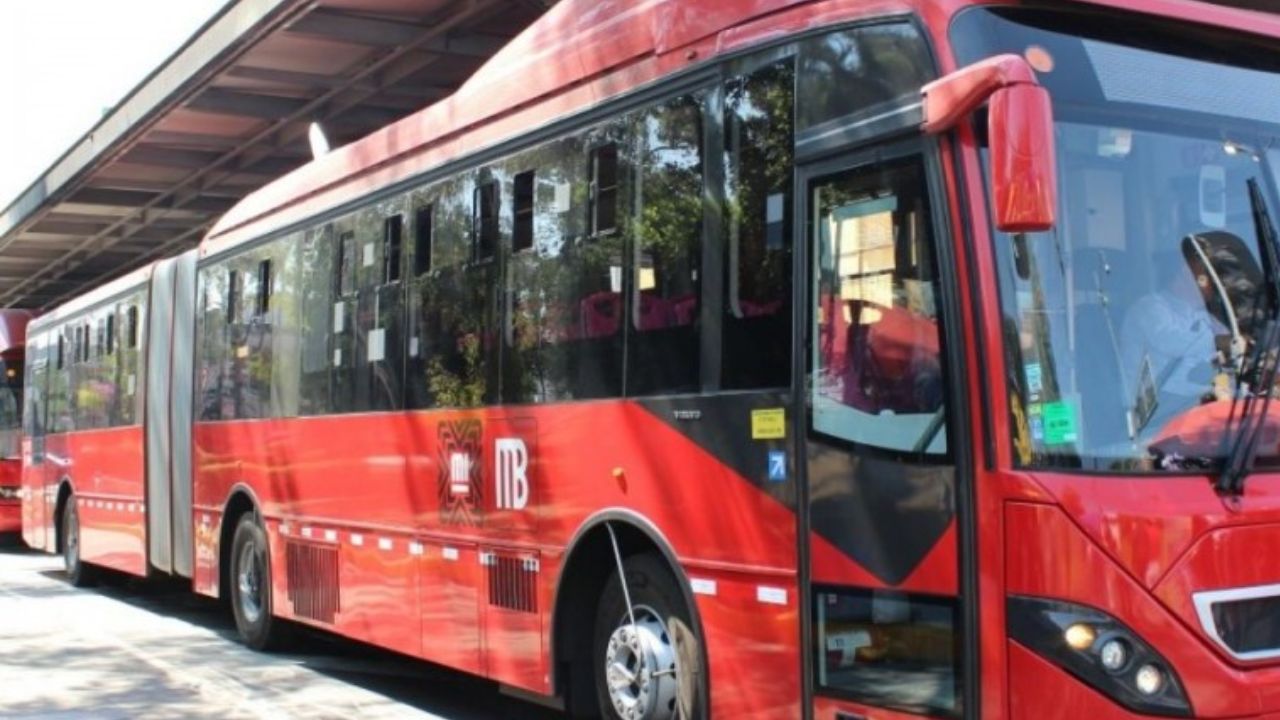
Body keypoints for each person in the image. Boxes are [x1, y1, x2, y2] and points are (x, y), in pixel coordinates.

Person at [1120, 246, 1224, 430]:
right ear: (1179, 279)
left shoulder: (1203, 316)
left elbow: (1225, 349)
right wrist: (1217, 342)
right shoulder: (1149, 307)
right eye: (1200, 278)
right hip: (1151, 410)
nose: (1207, 285)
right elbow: (1171, 341)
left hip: (1189, 401)